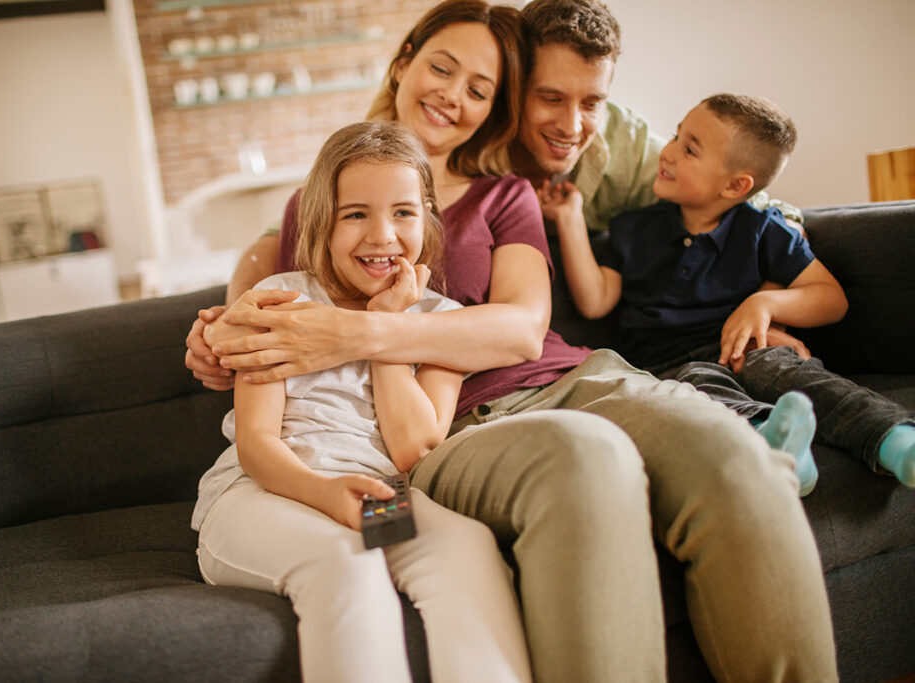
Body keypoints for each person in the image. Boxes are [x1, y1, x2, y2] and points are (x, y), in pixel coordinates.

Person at [187, 1, 839, 680]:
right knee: (586, 459)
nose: (452, 95)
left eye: (481, 89)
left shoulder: (505, 194)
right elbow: (271, 281)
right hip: (455, 427)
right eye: (441, 68)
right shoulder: (320, 198)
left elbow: (526, 327)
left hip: (571, 377)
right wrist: (223, 335)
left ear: (495, 108)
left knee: (728, 448)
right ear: (404, 61)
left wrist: (372, 328)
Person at [192, 121, 533, 683]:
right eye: (356, 214)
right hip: (264, 495)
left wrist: (387, 330)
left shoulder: (442, 325)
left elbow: (412, 446)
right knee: (346, 563)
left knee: (465, 549)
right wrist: (325, 493)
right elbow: (256, 444)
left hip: (369, 496)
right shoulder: (279, 301)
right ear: (322, 221)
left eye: (403, 212)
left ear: (426, 217)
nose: (383, 236)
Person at [542, 92, 915, 493]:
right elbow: (596, 300)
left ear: (736, 185)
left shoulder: (760, 229)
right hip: (667, 366)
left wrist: (765, 302)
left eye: (689, 150)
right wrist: (570, 217)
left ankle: (896, 441)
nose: (667, 153)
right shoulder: (635, 229)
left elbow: (831, 299)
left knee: (776, 364)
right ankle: (778, 451)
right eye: (675, 137)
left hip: (740, 346)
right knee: (697, 387)